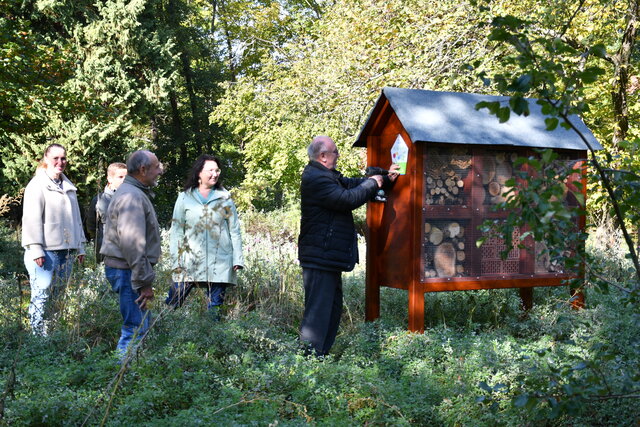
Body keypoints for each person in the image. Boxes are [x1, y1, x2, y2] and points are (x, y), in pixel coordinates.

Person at [298, 135, 398, 356]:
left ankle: (319, 358)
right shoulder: (316, 178)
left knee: (331, 311)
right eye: (335, 152)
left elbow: (351, 184)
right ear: (323, 156)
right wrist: (374, 183)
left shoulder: (327, 175)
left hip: (327, 257)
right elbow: (347, 199)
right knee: (317, 314)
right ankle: (308, 362)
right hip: (320, 257)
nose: (338, 155)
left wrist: (384, 177)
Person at [100, 150, 163, 358]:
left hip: (128, 270)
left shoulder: (132, 192)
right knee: (134, 328)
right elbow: (132, 244)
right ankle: (121, 381)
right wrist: (143, 282)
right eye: (156, 167)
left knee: (139, 326)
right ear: (143, 169)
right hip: (127, 271)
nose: (159, 171)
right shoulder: (131, 196)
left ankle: (131, 377)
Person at [165, 154, 244, 321]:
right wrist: (176, 260)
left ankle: (211, 345)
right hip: (189, 262)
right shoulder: (184, 197)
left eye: (217, 170)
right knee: (172, 305)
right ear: (199, 173)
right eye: (210, 170)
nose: (215, 174)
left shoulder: (225, 198)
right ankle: (162, 337)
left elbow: (234, 230)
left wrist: (237, 259)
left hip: (220, 262)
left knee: (214, 312)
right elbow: (177, 231)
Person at [21, 143, 86, 335]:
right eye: (56, 158)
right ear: (46, 159)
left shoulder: (69, 187)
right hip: (45, 251)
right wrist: (36, 248)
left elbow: (76, 220)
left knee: (59, 294)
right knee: (41, 293)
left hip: (66, 250)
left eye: (63, 158)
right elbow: (31, 219)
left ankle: (53, 334)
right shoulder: (37, 185)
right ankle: (37, 337)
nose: (60, 162)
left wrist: (80, 247)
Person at [85, 162, 127, 262]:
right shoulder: (99, 200)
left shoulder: (133, 199)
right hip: (105, 253)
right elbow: (91, 226)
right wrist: (99, 241)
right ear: (110, 179)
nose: (124, 180)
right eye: (120, 177)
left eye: (126, 177)